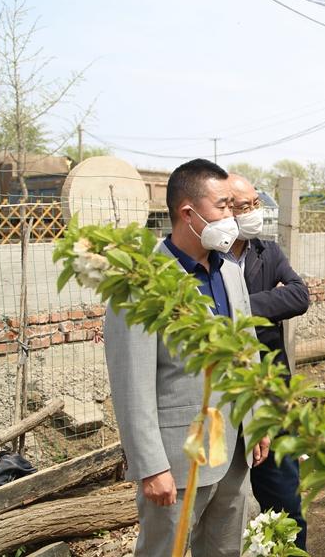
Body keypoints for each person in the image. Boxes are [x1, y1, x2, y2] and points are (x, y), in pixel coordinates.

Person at [104, 159, 270, 557]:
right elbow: (132, 384)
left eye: (234, 206)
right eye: (224, 206)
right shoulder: (142, 285)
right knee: (166, 551)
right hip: (177, 458)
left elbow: (247, 352)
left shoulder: (229, 272)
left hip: (233, 450)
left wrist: (259, 418)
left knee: (225, 549)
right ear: (188, 213)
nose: (233, 215)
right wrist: (150, 465)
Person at [226, 173, 310, 549]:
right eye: (245, 207)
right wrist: (267, 307)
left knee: (285, 500)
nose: (254, 213)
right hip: (225, 397)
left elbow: (299, 296)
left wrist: (237, 309)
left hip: (273, 394)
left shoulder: (268, 252)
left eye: (256, 204)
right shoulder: (209, 258)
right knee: (226, 505)